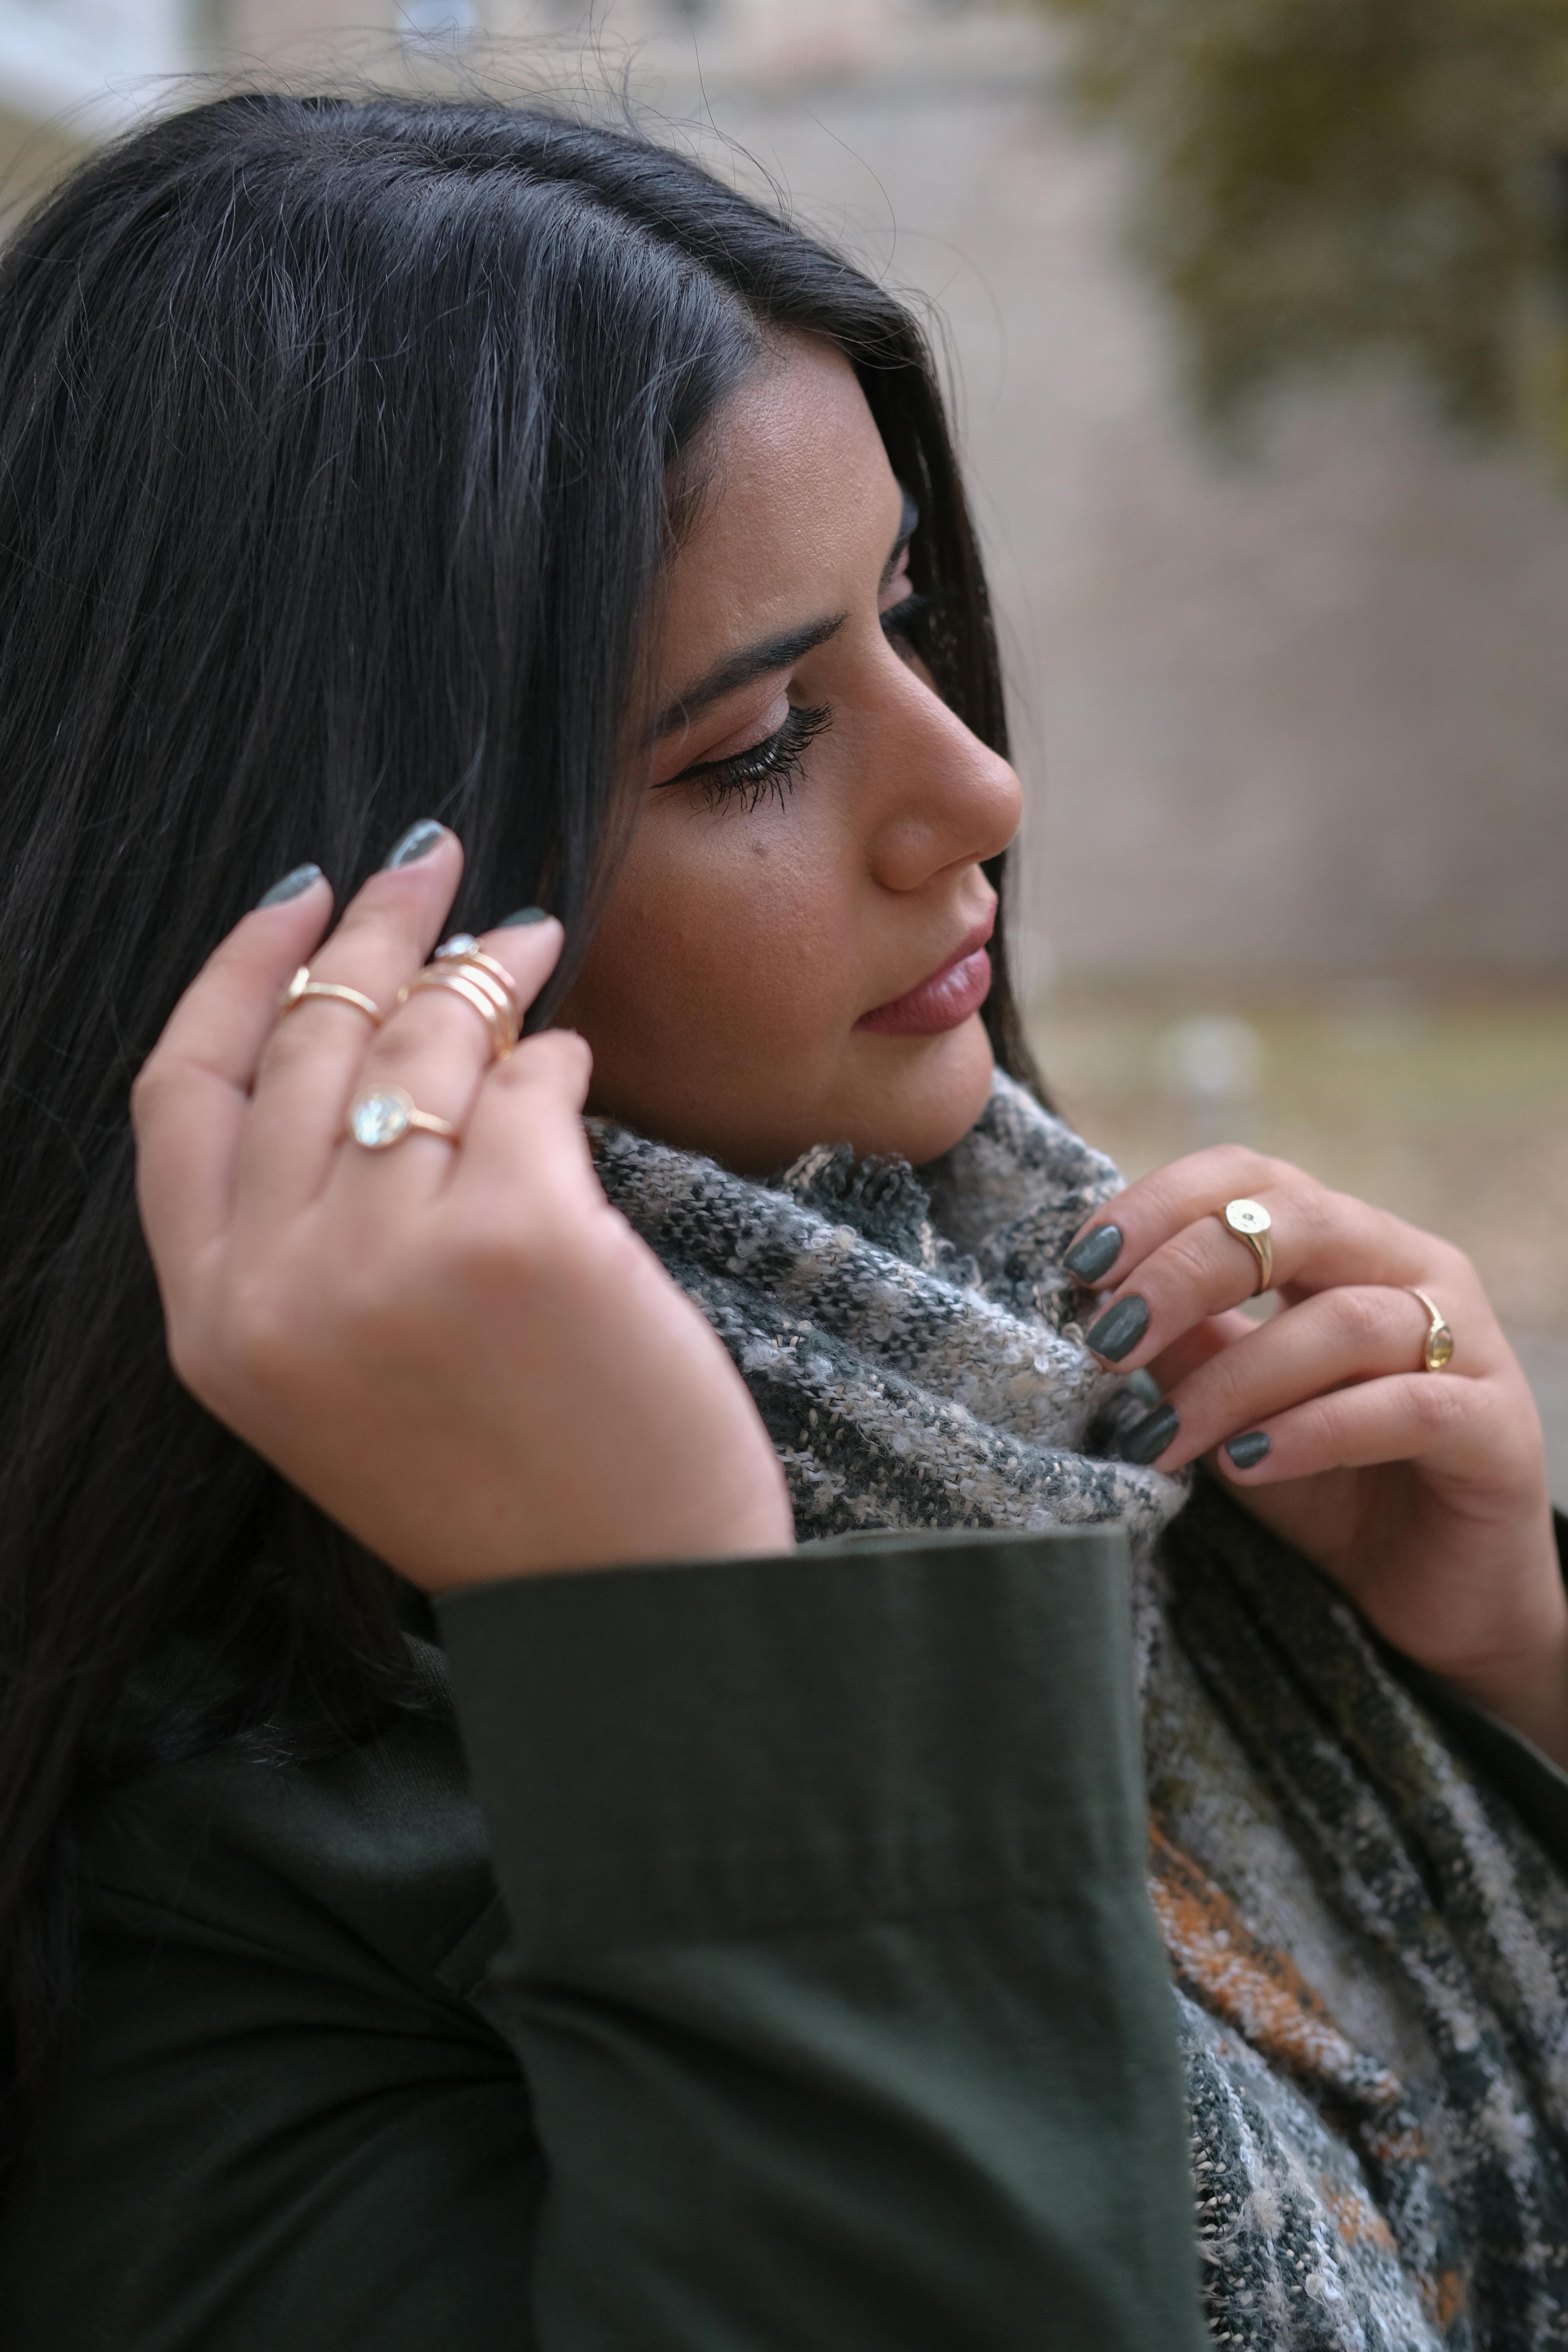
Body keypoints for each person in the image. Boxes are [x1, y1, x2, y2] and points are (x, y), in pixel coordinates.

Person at [0, 90, 1563, 2352]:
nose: (978, 788)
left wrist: (1511, 1664)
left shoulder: (1040, 1375)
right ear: (335, 931)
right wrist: (673, 1630)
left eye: (911, 622)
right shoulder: (198, 1889)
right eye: (750, 747)